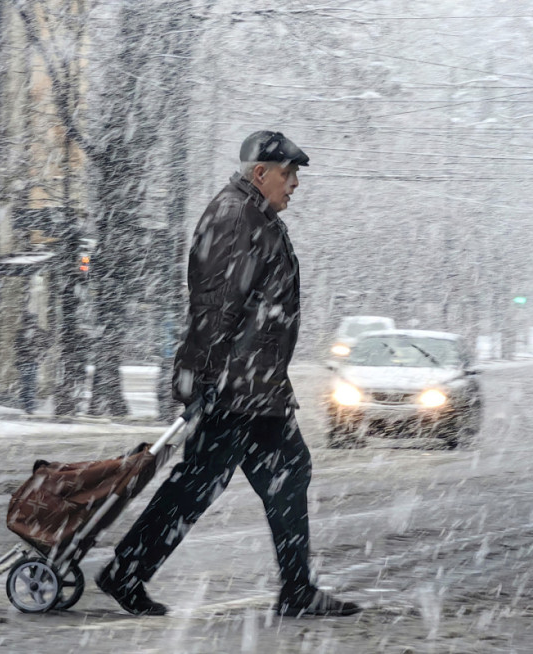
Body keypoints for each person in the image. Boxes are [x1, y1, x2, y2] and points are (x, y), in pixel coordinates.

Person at [96, 131, 362, 618]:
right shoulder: (236, 218)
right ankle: (125, 572)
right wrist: (205, 380)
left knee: (283, 474)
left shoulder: (257, 218)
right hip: (234, 387)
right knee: (198, 482)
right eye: (289, 173)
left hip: (257, 389)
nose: (296, 183)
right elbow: (214, 310)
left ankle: (297, 590)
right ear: (260, 173)